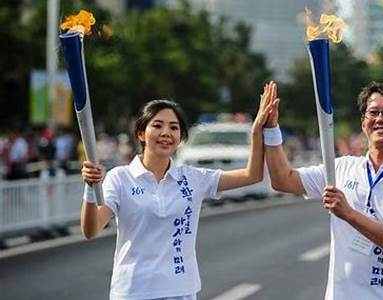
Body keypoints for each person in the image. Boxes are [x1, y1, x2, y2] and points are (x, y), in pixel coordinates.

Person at [80, 82, 277, 300]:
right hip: (133, 291)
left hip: (181, 291)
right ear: (141, 133)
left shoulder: (192, 178)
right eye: (157, 125)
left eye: (174, 127)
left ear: (180, 137)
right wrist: (90, 189)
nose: (166, 132)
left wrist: (258, 129)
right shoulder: (120, 178)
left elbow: (253, 175)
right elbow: (91, 229)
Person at [263, 81, 383, 300]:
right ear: (363, 123)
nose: (380, 119)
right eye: (373, 112)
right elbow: (283, 180)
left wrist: (348, 213)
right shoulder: (341, 168)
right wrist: (270, 129)